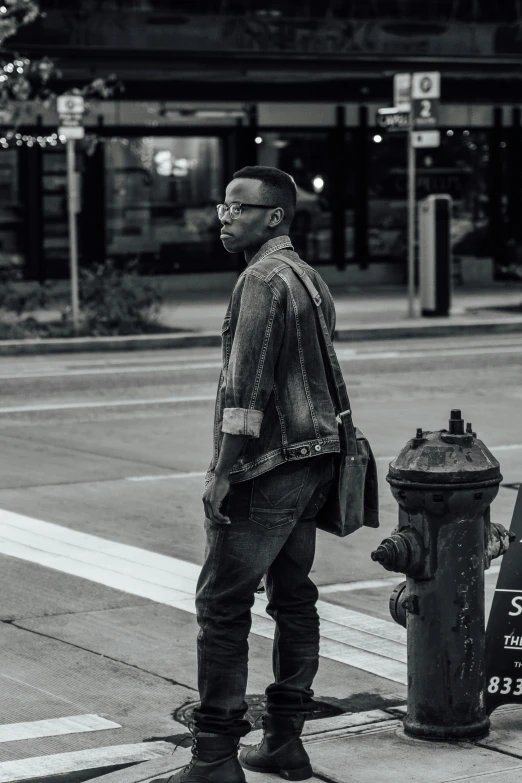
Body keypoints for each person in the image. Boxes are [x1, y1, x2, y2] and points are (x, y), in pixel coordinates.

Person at [155, 166, 342, 783]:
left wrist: (223, 471)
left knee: (222, 606)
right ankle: (285, 743)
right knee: (294, 599)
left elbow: (247, 386)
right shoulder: (307, 277)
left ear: (275, 216)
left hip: (267, 466)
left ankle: (213, 756)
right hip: (314, 460)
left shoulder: (261, 279)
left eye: (238, 207)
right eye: (223, 206)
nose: (224, 217)